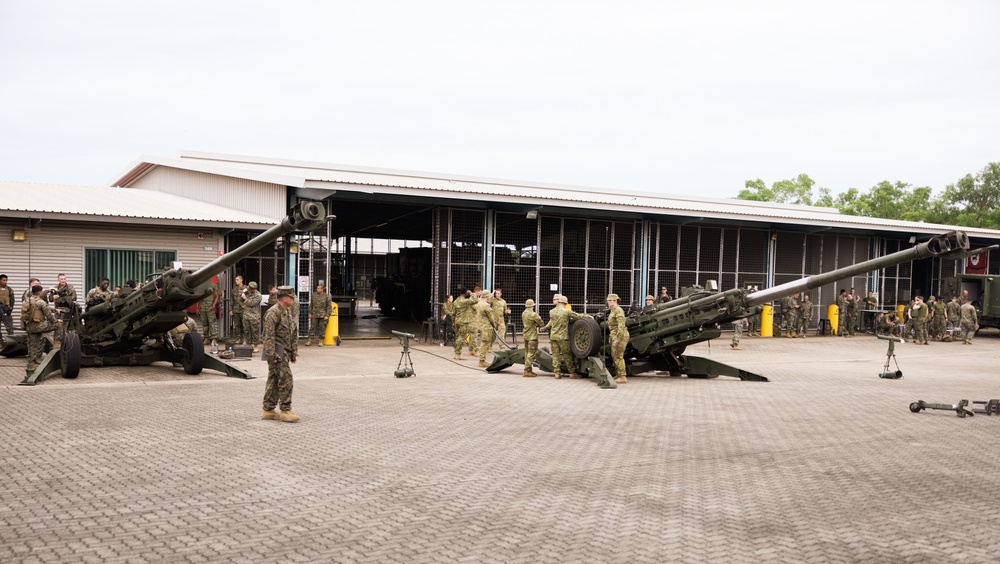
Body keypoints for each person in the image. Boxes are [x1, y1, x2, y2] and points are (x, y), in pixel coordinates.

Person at [261, 286, 300, 423]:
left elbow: (292, 332)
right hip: (277, 352)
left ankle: (268, 410)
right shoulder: (273, 313)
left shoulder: (287, 311)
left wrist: (293, 352)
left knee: (274, 379)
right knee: (286, 379)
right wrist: (272, 356)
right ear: (285, 298)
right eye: (291, 297)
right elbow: (268, 336)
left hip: (285, 351)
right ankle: (285, 410)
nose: (294, 299)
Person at [545, 295, 587, 379]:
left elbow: (551, 323)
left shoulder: (551, 312)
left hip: (553, 336)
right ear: (564, 303)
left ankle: (557, 373)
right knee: (566, 355)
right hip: (563, 337)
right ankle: (572, 373)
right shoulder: (566, 311)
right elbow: (577, 316)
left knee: (555, 355)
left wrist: (545, 327)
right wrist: (588, 316)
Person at [24, 284, 57, 372]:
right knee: (58, 325)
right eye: (42, 291)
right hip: (38, 326)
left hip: (29, 326)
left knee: (33, 344)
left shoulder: (27, 300)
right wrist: (56, 321)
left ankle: (32, 363)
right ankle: (57, 344)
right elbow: (49, 315)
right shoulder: (41, 302)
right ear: (39, 293)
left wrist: (54, 310)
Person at [47, 274, 77, 349]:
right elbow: (50, 299)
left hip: (67, 310)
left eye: (64, 279)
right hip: (57, 310)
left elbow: (74, 297)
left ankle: (65, 344)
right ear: (58, 280)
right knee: (57, 327)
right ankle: (57, 345)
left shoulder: (70, 287)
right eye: (61, 279)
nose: (63, 280)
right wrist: (53, 296)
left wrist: (61, 297)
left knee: (65, 328)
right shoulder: (55, 288)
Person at [606, 293, 630, 384]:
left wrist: (618, 339)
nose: (608, 302)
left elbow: (621, 326)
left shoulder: (619, 311)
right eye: (608, 300)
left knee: (618, 356)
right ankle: (618, 374)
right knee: (614, 355)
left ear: (615, 301)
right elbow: (612, 326)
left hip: (621, 336)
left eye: (610, 301)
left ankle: (623, 376)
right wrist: (611, 337)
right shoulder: (613, 310)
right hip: (614, 336)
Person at [521, 298, 544, 377]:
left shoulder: (524, 313)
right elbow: (540, 322)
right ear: (532, 306)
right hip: (532, 336)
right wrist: (539, 325)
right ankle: (526, 370)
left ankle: (529, 369)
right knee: (531, 353)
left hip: (526, 335)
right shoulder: (533, 314)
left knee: (527, 353)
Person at [473, 290, 497, 368]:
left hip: (481, 325)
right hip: (487, 326)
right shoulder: (486, 305)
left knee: (484, 342)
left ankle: (482, 359)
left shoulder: (478, 304)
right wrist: (494, 325)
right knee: (485, 343)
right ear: (487, 297)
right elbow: (491, 317)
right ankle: (482, 360)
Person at [306, 282, 332, 346]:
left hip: (323, 315)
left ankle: (321, 340)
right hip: (314, 314)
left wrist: (327, 315)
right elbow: (311, 305)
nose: (317, 289)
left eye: (318, 288)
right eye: (317, 288)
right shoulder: (314, 295)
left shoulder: (326, 296)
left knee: (322, 328)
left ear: (322, 289)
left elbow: (329, 306)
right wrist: (310, 313)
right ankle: (309, 340)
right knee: (312, 327)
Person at [197, 277, 220, 350]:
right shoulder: (202, 286)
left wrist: (214, 305)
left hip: (209, 304)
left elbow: (217, 296)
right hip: (202, 304)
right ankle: (206, 338)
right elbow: (199, 297)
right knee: (204, 322)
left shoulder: (213, 285)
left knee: (211, 322)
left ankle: (214, 338)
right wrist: (198, 307)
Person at [452, 288, 475, 360]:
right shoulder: (465, 301)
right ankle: (458, 354)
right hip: (463, 322)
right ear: (466, 293)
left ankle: (456, 353)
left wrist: (453, 322)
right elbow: (476, 300)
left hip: (457, 321)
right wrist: (471, 293)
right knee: (461, 338)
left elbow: (453, 313)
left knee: (457, 337)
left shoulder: (456, 301)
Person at [242, 282, 263, 353]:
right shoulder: (248, 292)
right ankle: (248, 344)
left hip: (254, 316)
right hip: (246, 315)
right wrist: (243, 292)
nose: (250, 290)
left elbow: (252, 304)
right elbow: (240, 296)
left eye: (252, 289)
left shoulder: (258, 295)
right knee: (247, 331)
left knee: (255, 331)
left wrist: (245, 298)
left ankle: (255, 345)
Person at [230, 275, 246, 345]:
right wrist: (231, 310)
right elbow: (231, 301)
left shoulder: (245, 288)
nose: (236, 281)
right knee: (237, 325)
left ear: (241, 280)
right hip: (236, 309)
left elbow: (248, 298)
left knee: (244, 325)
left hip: (243, 309)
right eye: (236, 280)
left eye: (237, 280)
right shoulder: (234, 290)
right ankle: (239, 338)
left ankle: (245, 339)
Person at [0, 274, 15, 345]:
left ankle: (12, 342)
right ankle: (1, 342)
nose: (5, 282)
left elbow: (12, 299)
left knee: (9, 328)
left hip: (6, 310)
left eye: (6, 280)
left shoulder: (9, 289)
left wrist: (10, 309)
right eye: (3, 280)